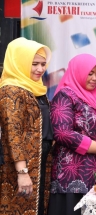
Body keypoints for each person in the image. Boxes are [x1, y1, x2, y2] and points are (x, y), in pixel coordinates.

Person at [48, 54, 96, 215]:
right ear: (78, 71)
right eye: (90, 73)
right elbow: (62, 132)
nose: (95, 78)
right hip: (74, 175)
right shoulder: (65, 95)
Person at [0, 37, 52, 215]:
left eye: (43, 64)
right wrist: (22, 172)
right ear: (19, 62)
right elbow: (13, 134)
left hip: (40, 162)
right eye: (34, 64)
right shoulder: (11, 90)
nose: (40, 69)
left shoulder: (36, 89)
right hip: (21, 166)